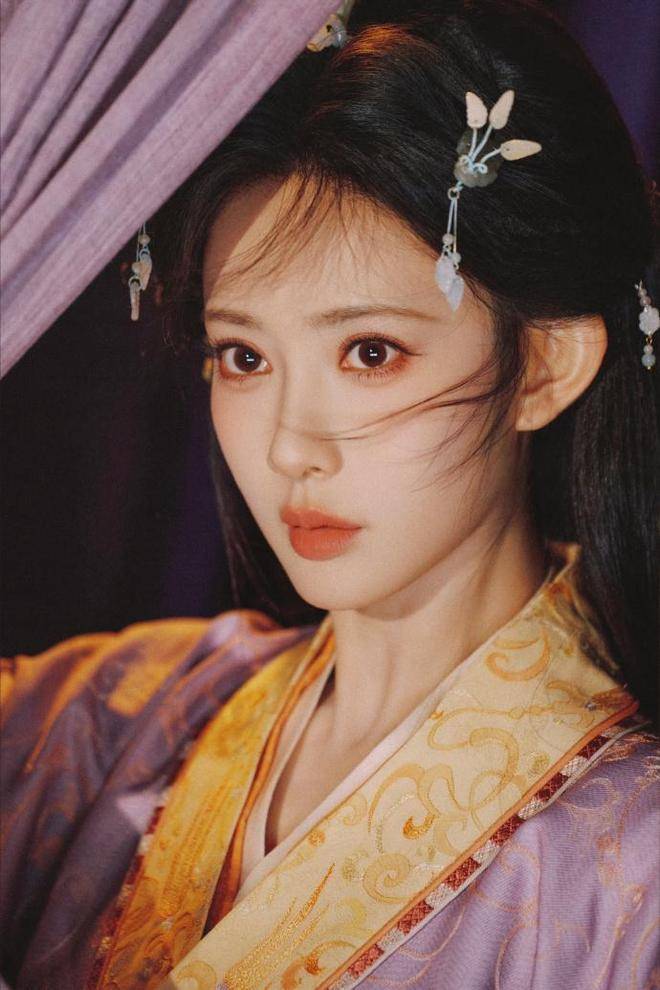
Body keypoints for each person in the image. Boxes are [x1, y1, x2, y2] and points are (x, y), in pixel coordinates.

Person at [1, 1, 658, 988]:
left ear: (545, 367)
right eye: (244, 356)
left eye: (370, 353)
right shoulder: (108, 719)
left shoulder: (631, 874)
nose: (289, 446)